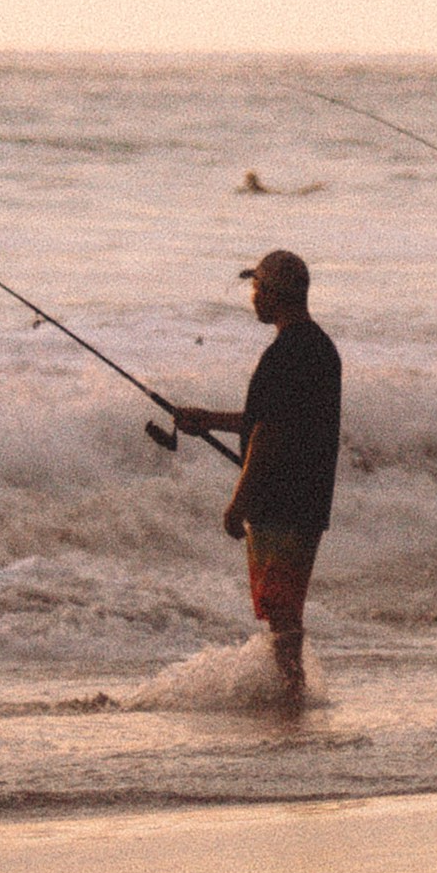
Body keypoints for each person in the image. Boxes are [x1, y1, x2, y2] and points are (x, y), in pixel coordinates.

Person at [168, 247, 340, 701]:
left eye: (257, 287)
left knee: (281, 609)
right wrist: (207, 420)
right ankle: (292, 690)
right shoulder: (321, 349)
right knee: (285, 607)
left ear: (275, 294)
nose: (253, 297)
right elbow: (269, 419)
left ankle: (292, 695)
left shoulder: (282, 354)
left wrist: (237, 502)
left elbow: (266, 433)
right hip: (309, 498)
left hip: (279, 502)